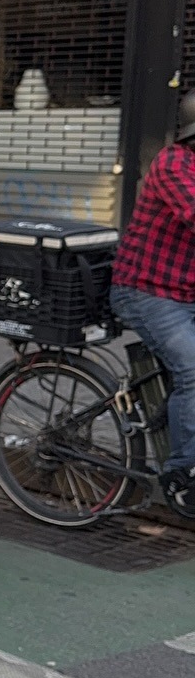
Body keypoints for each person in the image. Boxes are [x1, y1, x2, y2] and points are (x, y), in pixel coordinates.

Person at [110, 88, 195, 516]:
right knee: (194, 371)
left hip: (186, 290)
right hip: (147, 291)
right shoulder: (173, 164)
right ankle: (183, 474)